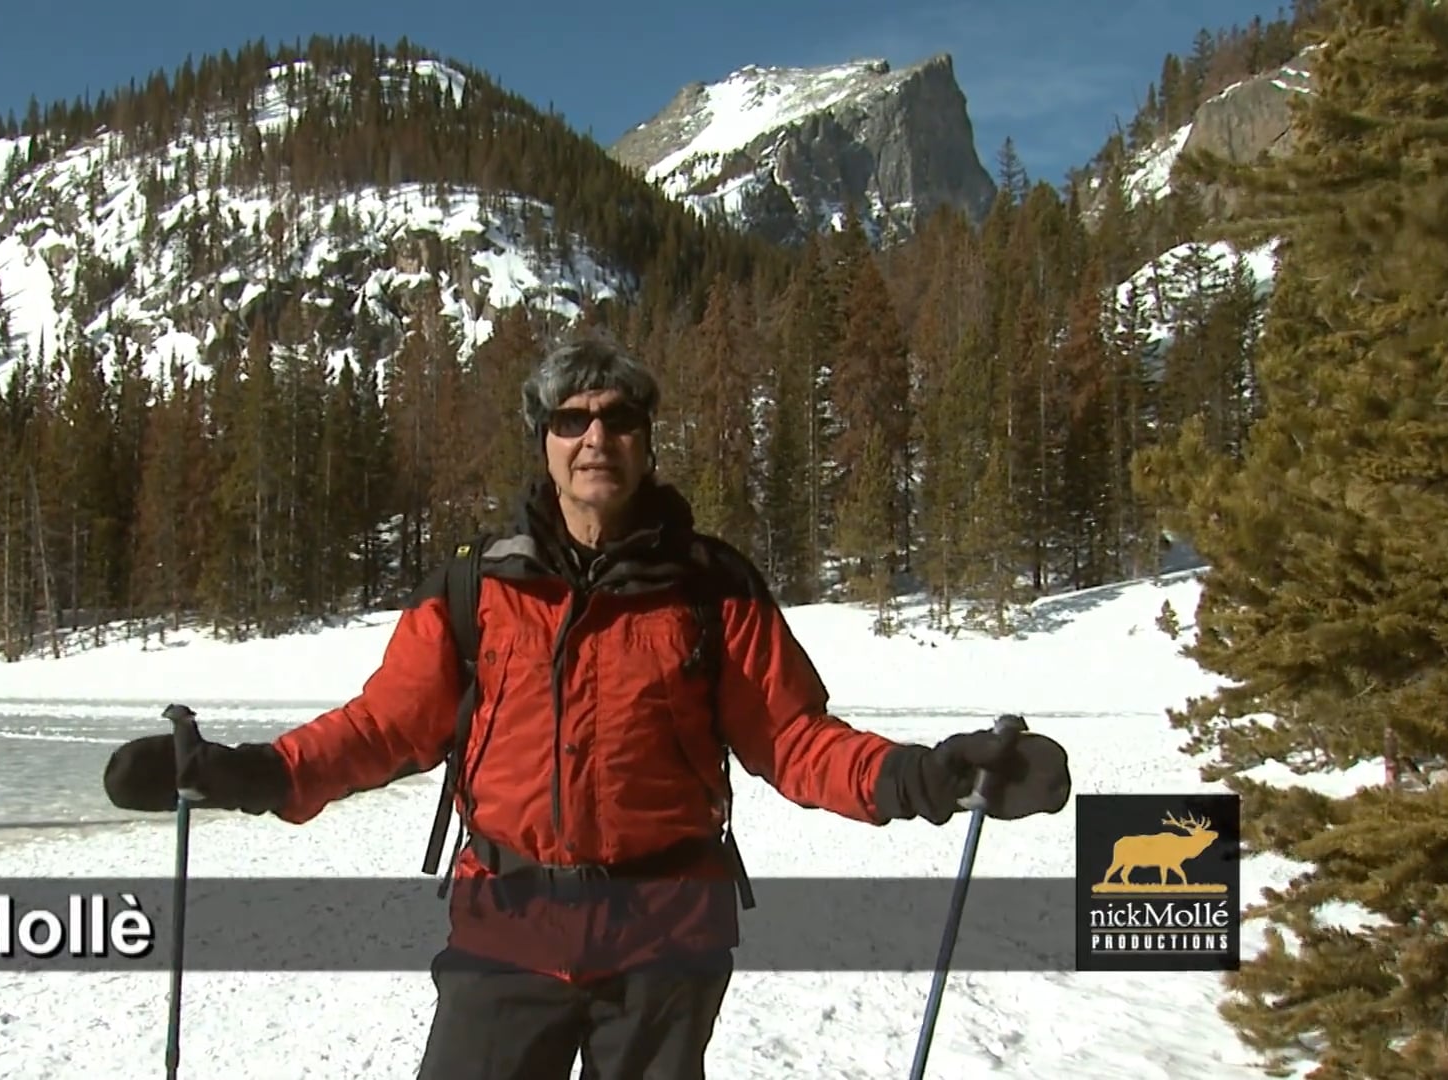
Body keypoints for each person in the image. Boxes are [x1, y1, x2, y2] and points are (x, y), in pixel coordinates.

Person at [102, 334, 1072, 1080]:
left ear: (645, 439)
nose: (594, 437)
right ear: (546, 443)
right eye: (572, 419)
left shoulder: (712, 587)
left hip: (665, 941)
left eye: (615, 418)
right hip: (507, 928)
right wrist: (250, 772)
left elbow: (793, 738)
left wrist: (923, 777)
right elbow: (382, 727)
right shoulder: (476, 589)